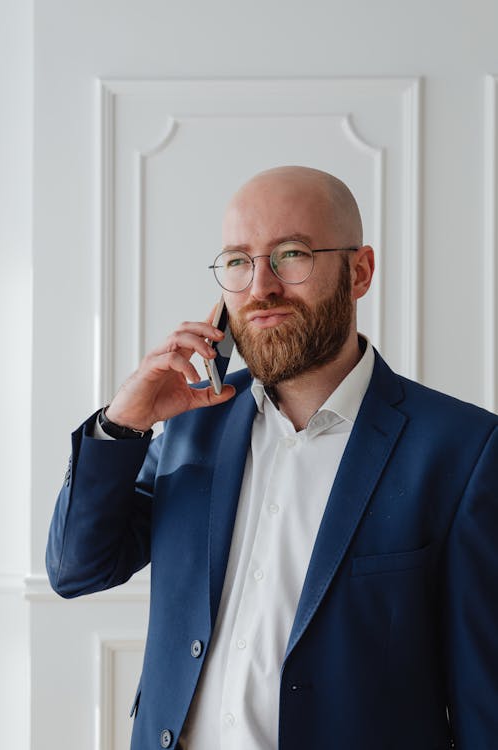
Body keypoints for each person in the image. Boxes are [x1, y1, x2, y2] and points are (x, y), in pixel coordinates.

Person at [46, 166, 498, 750]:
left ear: (358, 272)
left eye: (292, 254)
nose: (261, 287)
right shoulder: (189, 426)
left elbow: (484, 702)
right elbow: (76, 569)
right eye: (238, 260)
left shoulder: (464, 450)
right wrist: (122, 424)